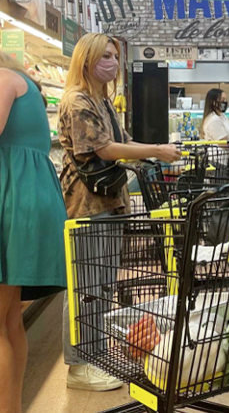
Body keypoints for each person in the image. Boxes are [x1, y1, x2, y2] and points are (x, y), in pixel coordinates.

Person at [58, 33, 181, 391]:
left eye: (114, 55)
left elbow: (121, 142)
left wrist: (151, 152)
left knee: (102, 284)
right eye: (104, 56)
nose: (111, 62)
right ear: (86, 60)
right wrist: (157, 150)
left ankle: (94, 354)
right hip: (86, 206)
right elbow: (106, 148)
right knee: (85, 286)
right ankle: (79, 365)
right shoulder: (78, 100)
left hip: (110, 203)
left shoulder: (104, 101)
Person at [0, 52, 67, 412]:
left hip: (9, 199)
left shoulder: (2, 79)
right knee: (9, 319)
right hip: (27, 198)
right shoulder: (24, 85)